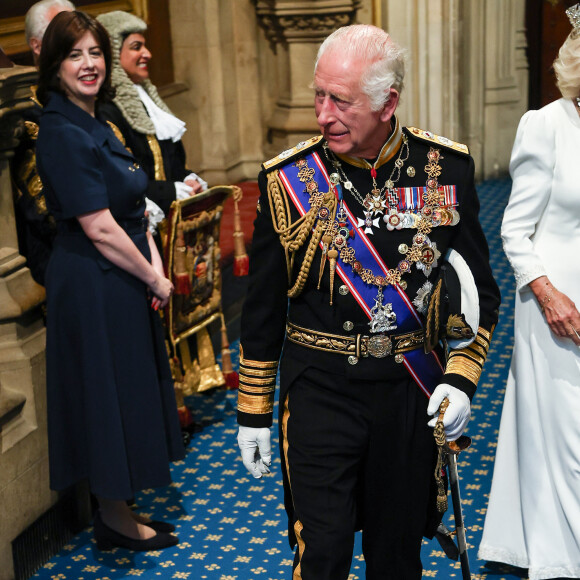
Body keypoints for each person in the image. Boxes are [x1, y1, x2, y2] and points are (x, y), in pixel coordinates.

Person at [236, 24, 500, 579]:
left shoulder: (444, 170)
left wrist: (459, 379)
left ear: (388, 103)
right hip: (319, 391)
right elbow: (261, 308)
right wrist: (254, 411)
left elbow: (479, 291)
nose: (323, 114)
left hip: (406, 393)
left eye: (341, 101)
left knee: (396, 555)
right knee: (323, 552)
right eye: (318, 95)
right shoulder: (288, 181)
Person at [36, 10, 184, 551]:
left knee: (126, 389)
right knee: (106, 394)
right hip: (93, 282)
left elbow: (132, 207)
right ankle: (114, 519)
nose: (89, 64)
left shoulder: (98, 120)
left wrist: (152, 266)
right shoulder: (59, 130)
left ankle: (120, 508)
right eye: (75, 54)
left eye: (95, 52)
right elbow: (97, 226)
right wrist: (156, 277)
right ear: (54, 66)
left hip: (121, 273)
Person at [478, 6, 580, 579]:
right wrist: (548, 294)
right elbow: (515, 230)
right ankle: (563, 557)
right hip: (558, 306)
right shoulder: (547, 124)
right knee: (569, 439)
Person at [95, 10, 207, 236]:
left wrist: (186, 178)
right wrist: (170, 191)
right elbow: (121, 176)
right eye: (136, 47)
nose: (147, 54)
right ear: (114, 54)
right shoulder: (106, 108)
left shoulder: (147, 98)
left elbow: (171, 158)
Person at [10, 0, 74, 286]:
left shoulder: (87, 95)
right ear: (37, 46)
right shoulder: (25, 109)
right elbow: (42, 204)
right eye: (64, 35)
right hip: (63, 252)